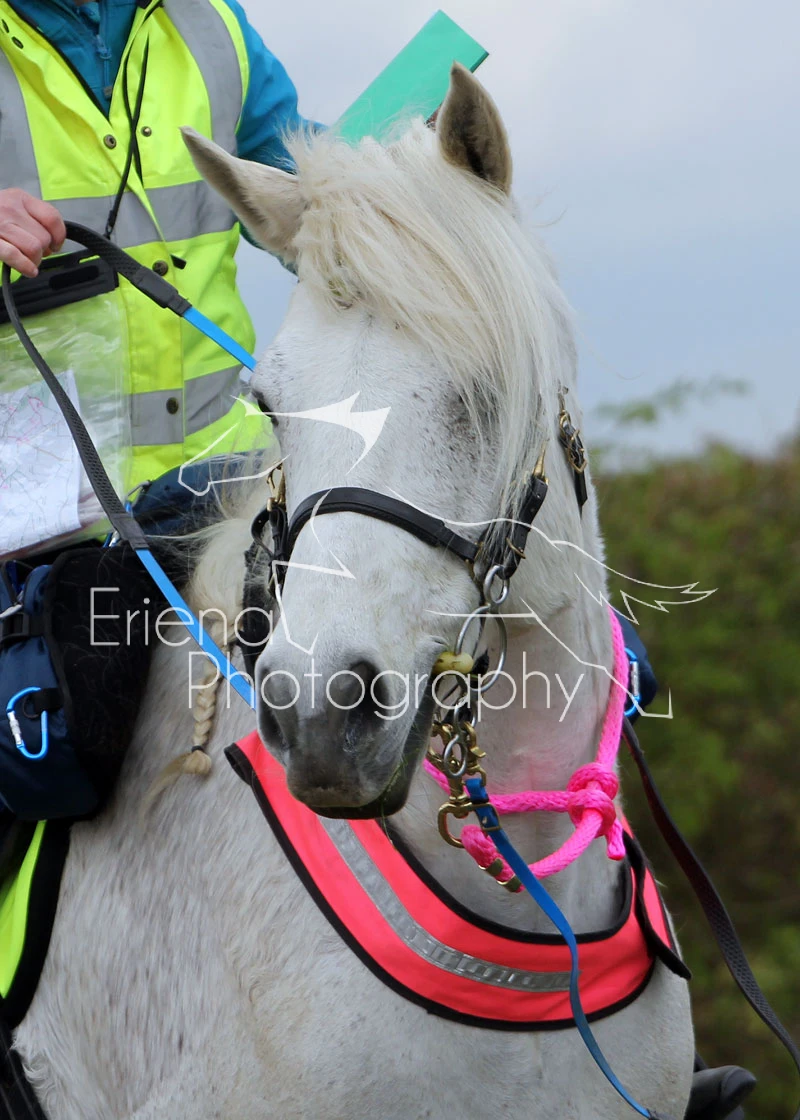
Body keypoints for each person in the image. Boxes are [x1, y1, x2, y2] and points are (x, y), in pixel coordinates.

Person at [0, 0, 309, 555]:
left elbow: (305, 201)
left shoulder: (212, 20)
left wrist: (410, 180)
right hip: (41, 526)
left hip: (232, 495)